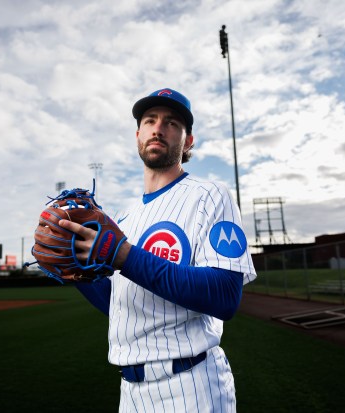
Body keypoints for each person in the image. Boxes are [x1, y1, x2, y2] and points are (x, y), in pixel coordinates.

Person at [60, 88, 257, 412]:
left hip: (191, 385)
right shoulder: (123, 219)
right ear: (138, 135)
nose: (158, 127)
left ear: (188, 141)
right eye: (150, 120)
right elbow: (123, 306)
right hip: (131, 391)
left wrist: (123, 255)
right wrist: (77, 272)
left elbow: (225, 296)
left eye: (172, 122)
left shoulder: (209, 195)